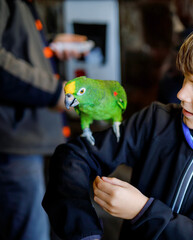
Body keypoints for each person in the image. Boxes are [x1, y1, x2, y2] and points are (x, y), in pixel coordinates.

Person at [43, 12, 193, 240]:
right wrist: (83, 230)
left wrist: (143, 211)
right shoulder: (156, 121)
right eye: (185, 79)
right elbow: (74, 155)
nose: (181, 93)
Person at [0, 0, 87, 239]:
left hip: (26, 143)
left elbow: (14, 44)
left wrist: (48, 44)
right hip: (14, 145)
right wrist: (55, 92)